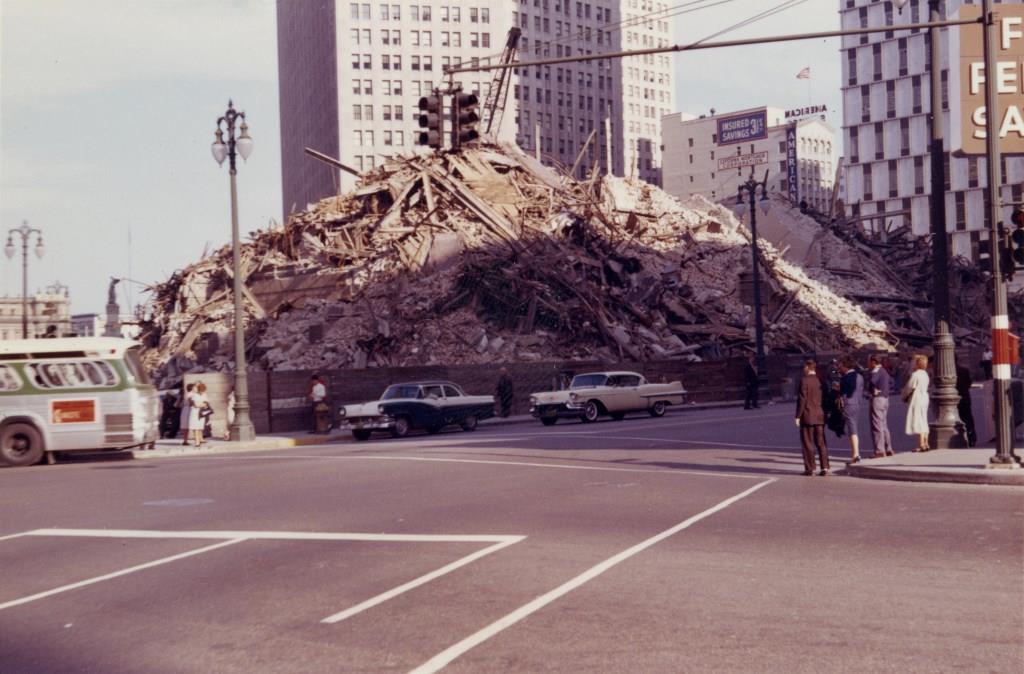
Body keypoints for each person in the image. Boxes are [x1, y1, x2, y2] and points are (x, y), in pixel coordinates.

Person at [795, 360, 830, 476]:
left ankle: (811, 468)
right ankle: (825, 466)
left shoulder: (804, 381)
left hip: (808, 415)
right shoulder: (821, 381)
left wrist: (798, 416)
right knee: (821, 442)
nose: (803, 369)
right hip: (820, 414)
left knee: (808, 442)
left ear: (807, 367)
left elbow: (802, 400)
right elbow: (826, 398)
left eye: (804, 367)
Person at [866, 355, 894, 458]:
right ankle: (888, 448)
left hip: (877, 399)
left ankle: (879, 450)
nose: (868, 364)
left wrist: (874, 390)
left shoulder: (876, 371)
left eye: (869, 362)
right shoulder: (884, 371)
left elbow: (872, 381)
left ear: (873, 362)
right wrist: (885, 389)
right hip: (885, 398)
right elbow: (891, 382)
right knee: (884, 425)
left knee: (877, 425)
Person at [838, 356, 864, 464]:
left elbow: (843, 392)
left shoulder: (845, 378)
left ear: (845, 366)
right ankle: (855, 453)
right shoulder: (859, 376)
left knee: (852, 429)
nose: (840, 368)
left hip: (849, 404)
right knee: (854, 426)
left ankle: (855, 453)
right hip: (857, 403)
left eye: (841, 366)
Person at [904, 354, 931, 452]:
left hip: (917, 398)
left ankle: (921, 444)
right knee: (924, 419)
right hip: (924, 397)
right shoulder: (925, 374)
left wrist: (904, 396)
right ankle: (926, 442)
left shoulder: (915, 375)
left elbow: (909, 387)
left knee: (918, 419)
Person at [955, 361, 977, 447]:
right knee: (968, 418)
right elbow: (969, 383)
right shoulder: (964, 370)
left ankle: (960, 437)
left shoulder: (949, 372)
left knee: (958, 419)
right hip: (965, 397)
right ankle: (972, 437)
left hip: (955, 398)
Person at [188, 381, 209, 448]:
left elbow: (206, 404)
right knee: (195, 427)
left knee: (200, 426)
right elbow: (196, 405)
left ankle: (200, 439)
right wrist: (202, 404)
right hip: (195, 412)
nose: (202, 392)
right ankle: (197, 441)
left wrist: (200, 404)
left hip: (201, 412)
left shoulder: (204, 395)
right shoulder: (194, 395)